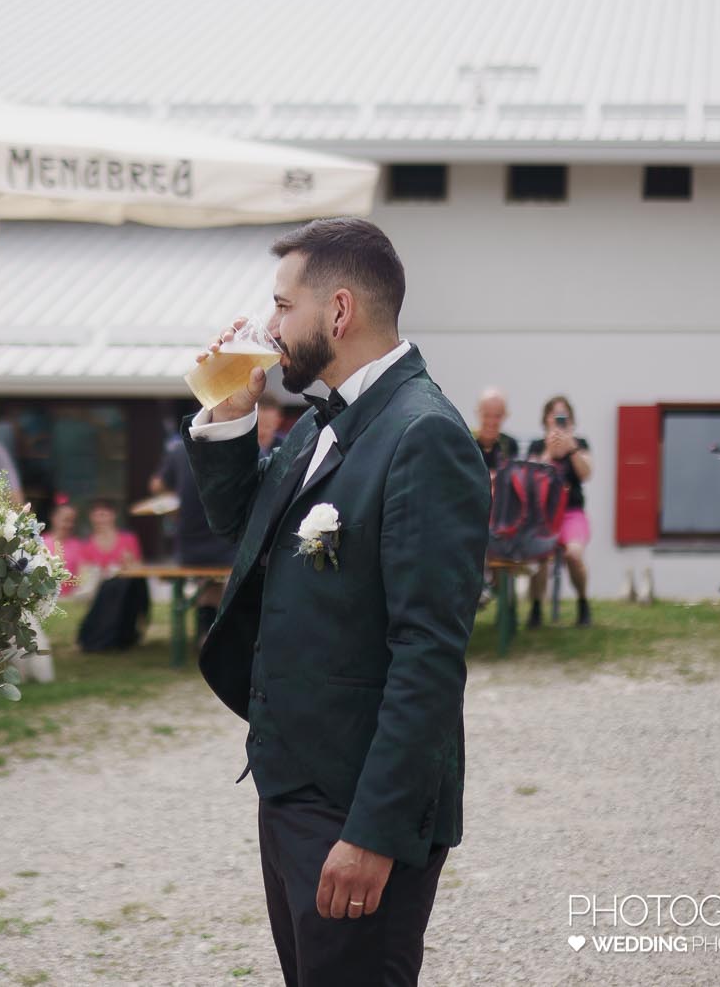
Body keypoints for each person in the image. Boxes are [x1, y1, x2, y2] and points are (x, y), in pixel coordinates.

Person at [185, 217, 487, 987]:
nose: (269, 325)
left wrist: (375, 834)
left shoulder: (424, 434)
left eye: (283, 307)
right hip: (292, 781)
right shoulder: (323, 419)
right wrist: (228, 414)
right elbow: (246, 527)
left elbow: (428, 653)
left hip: (355, 805)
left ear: (340, 311)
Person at [152, 432, 236, 635]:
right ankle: (212, 629)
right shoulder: (236, 449)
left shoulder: (180, 450)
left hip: (188, 551)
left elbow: (156, 485)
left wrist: (176, 503)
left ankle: (205, 627)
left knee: (209, 579)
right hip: (227, 552)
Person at [529, 395, 594, 628]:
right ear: (545, 419)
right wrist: (549, 453)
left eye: (563, 415)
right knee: (538, 556)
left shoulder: (580, 444)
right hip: (544, 516)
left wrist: (571, 449)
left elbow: (586, 473)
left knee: (574, 556)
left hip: (571, 513)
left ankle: (583, 603)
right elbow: (531, 481)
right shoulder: (538, 446)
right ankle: (536, 608)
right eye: (554, 415)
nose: (558, 420)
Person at [472, 388, 518, 474]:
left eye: (497, 416)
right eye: (486, 415)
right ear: (477, 413)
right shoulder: (467, 441)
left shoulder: (510, 444)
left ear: (505, 415)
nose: (491, 421)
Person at [43, 496, 82, 594]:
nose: (69, 525)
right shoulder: (40, 543)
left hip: (71, 600)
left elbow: (82, 578)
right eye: (65, 520)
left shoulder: (78, 546)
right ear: (53, 518)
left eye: (72, 521)